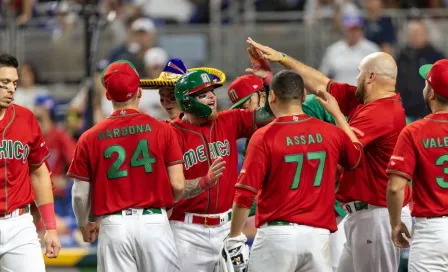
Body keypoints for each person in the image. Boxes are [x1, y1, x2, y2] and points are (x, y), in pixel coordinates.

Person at [246, 37, 412, 272]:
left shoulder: (383, 112)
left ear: (371, 77)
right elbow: (321, 83)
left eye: (359, 73)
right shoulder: (365, 102)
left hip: (377, 216)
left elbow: (349, 149)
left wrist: (335, 113)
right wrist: (282, 59)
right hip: (361, 215)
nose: (356, 78)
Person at [224, 70, 363, 272]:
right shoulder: (330, 132)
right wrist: (338, 115)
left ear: (272, 96)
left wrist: (234, 235)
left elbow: (245, 193)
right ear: (304, 96)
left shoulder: (263, 136)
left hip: (277, 236)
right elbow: (356, 157)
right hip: (318, 236)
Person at [67, 60, 185, 272]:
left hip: (114, 226)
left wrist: (84, 224)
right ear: (139, 92)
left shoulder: (88, 137)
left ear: (108, 96)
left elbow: (80, 194)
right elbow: (177, 184)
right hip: (154, 222)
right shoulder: (163, 130)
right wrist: (165, 207)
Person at [168, 65, 274, 271]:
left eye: (212, 92)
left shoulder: (229, 120)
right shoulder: (171, 134)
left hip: (227, 228)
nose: (211, 98)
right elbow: (173, 189)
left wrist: (267, 82)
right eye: (203, 95)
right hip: (187, 231)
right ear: (187, 101)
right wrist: (203, 182)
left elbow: (269, 113)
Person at [0, 53, 60, 271]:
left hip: (19, 224)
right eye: (4, 83)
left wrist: (50, 227)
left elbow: (39, 173)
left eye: (14, 83)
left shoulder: (26, 118)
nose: (11, 89)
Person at [386, 59, 448, 272]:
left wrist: (395, 224)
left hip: (432, 230)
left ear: (431, 93)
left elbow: (395, 187)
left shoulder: (414, 131)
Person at [139, 58, 226, 121]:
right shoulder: (163, 131)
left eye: (172, 97)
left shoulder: (221, 122)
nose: (165, 102)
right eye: (162, 97)